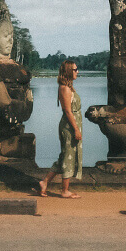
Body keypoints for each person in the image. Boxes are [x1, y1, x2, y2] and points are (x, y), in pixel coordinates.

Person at [38, 60, 82, 198]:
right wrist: (76, 129)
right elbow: (68, 111)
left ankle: (45, 182)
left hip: (72, 124)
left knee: (65, 155)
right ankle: (64, 191)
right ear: (69, 71)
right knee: (68, 156)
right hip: (69, 126)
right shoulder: (65, 88)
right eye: (75, 70)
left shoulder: (69, 87)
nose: (77, 72)